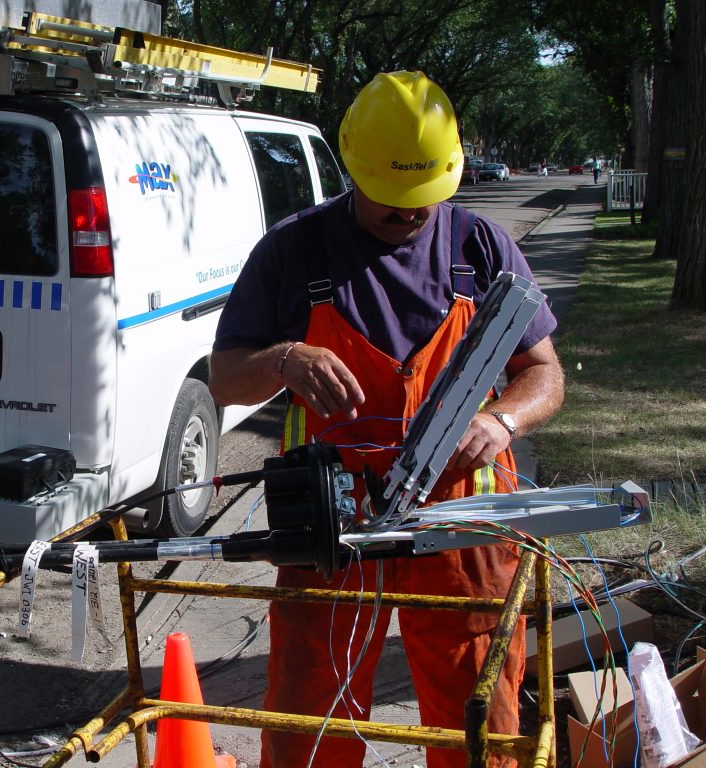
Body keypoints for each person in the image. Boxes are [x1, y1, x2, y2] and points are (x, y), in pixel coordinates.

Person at [209, 71, 565, 768]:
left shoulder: (480, 248)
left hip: (463, 532)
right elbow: (224, 380)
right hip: (330, 530)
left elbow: (544, 373)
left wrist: (501, 423)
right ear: (354, 168)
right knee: (311, 720)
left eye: (425, 197)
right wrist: (282, 358)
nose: (410, 215)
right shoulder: (294, 250)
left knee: (482, 726)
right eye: (392, 200)